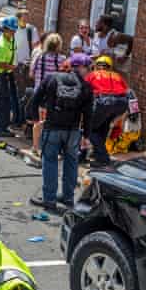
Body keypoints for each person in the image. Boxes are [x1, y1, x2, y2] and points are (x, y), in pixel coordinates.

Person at [27, 53, 93, 212]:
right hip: (73, 131)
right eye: (88, 68)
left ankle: (49, 199)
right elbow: (89, 114)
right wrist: (86, 136)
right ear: (81, 68)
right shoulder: (86, 87)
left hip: (52, 128)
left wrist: (35, 119)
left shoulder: (51, 78)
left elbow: (34, 100)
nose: (90, 71)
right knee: (71, 163)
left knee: (49, 161)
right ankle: (68, 197)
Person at [85, 55, 129, 167]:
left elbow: (84, 90)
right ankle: (98, 156)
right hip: (121, 103)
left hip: (103, 102)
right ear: (109, 67)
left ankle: (104, 158)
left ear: (96, 66)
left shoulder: (92, 75)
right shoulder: (117, 76)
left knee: (89, 129)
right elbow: (126, 91)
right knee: (102, 127)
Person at [28, 34, 66, 155]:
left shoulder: (39, 56)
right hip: (54, 95)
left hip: (39, 93)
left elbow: (31, 74)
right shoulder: (61, 59)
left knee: (38, 122)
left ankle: (35, 147)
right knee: (52, 122)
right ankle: (50, 148)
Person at [0, 16, 18, 138]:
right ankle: (0, 129)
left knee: (1, 101)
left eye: (14, 30)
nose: (13, 32)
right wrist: (12, 67)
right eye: (12, 30)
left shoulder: (10, 40)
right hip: (0, 74)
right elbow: (0, 63)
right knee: (3, 102)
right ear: (5, 29)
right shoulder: (1, 44)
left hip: (6, 73)